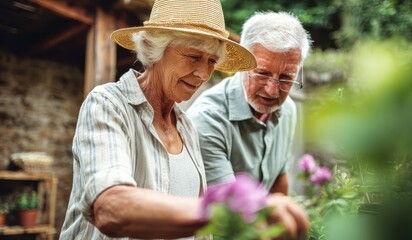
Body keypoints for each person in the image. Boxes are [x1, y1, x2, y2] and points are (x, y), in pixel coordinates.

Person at [60, 1, 308, 238]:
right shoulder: (108, 105)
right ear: (151, 47)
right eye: (193, 56)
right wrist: (226, 212)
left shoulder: (186, 127)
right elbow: (110, 208)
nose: (203, 74)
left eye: (212, 61)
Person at [187, 11, 311, 196]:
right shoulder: (207, 120)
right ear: (242, 63)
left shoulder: (288, 109)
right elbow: (230, 210)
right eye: (262, 73)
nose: (272, 90)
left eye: (286, 78)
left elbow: (279, 182)